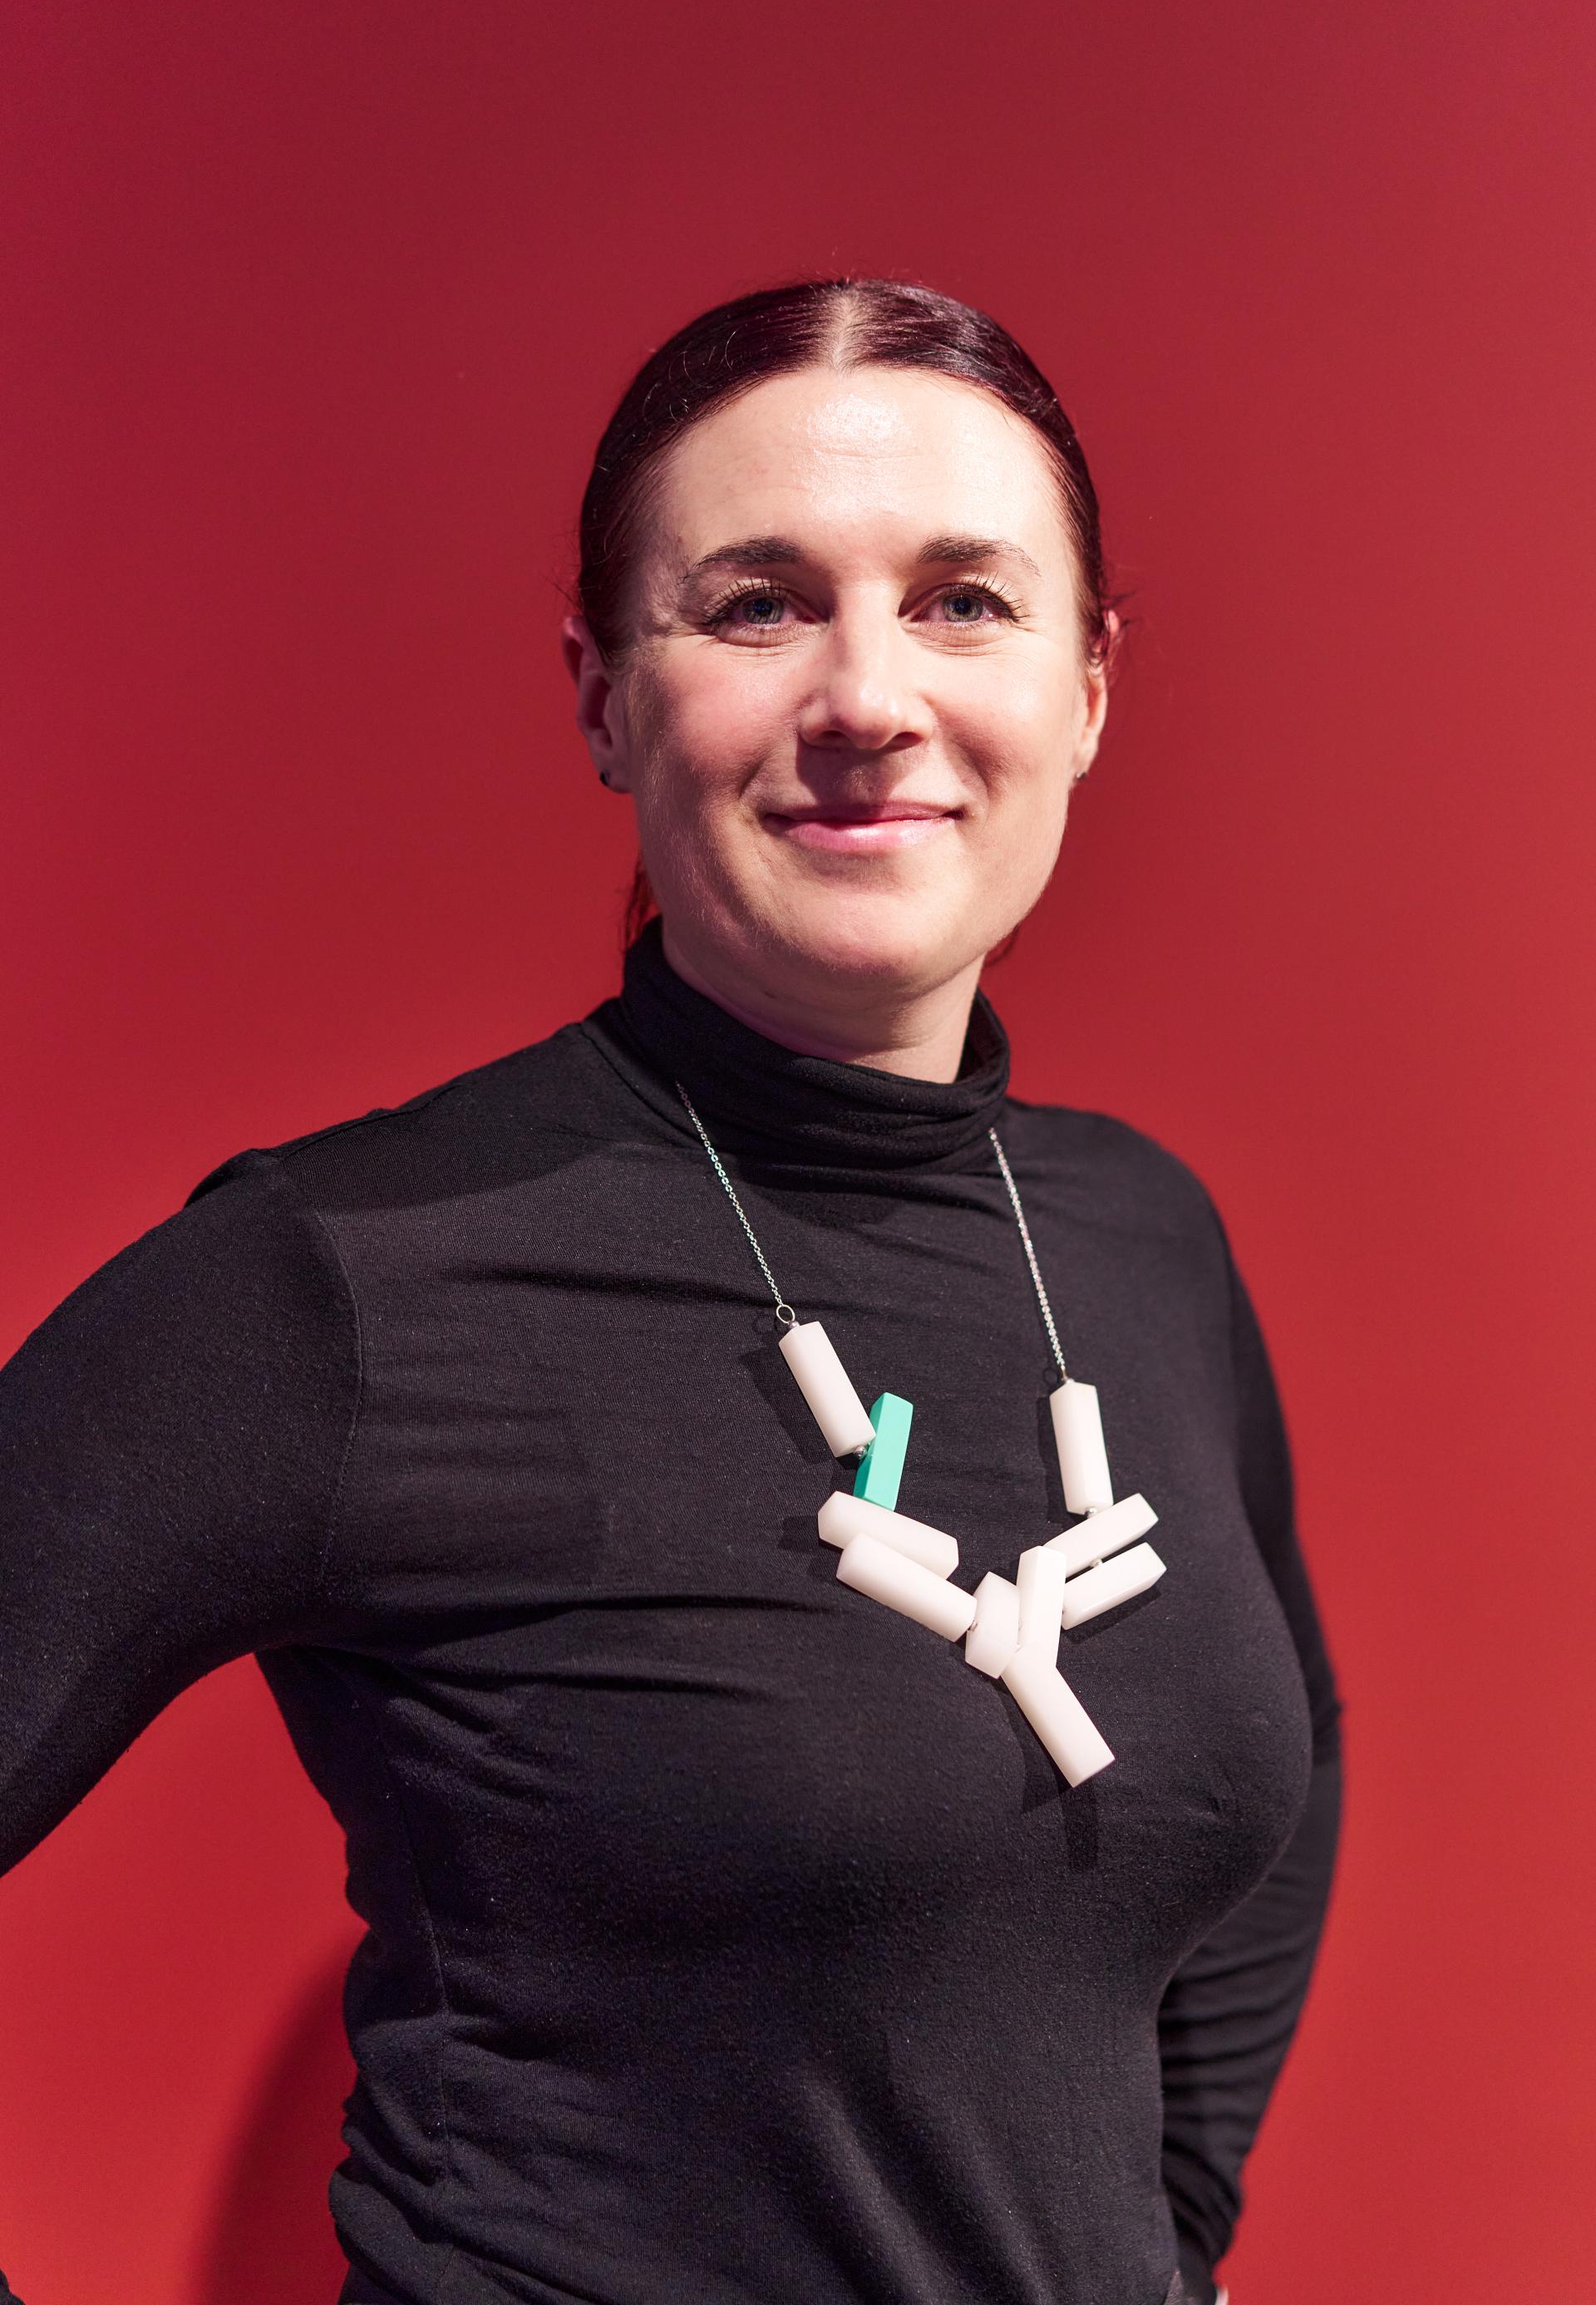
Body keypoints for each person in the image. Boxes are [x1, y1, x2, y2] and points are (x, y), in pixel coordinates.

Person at [0, 278, 1342, 2305]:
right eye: (757, 605)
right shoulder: (344, 1278)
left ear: (1087, 684)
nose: (869, 696)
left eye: (965, 600)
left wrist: (1171, 2239)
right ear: (604, 693)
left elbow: (1277, 1762)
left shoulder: (1140, 1238)